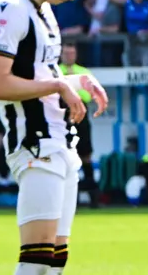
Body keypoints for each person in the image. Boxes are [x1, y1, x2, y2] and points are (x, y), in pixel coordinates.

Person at [0, 0, 109, 275]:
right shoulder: (9, 9)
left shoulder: (46, 12)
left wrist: (77, 80)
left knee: (54, 263)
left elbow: (43, 74)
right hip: (34, 144)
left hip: (62, 143)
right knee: (35, 261)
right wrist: (56, 83)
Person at [58, 42, 99, 208]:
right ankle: (67, 201)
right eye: (66, 53)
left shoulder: (84, 72)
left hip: (81, 120)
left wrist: (67, 88)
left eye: (71, 53)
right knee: (63, 158)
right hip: (61, 120)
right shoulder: (54, 70)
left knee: (86, 156)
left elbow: (88, 96)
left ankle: (93, 198)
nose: (69, 56)